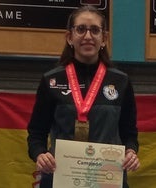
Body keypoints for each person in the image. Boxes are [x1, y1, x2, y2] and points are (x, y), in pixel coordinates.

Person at [27, 5, 140, 188]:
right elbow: (36, 133)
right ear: (70, 37)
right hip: (61, 178)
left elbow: (129, 133)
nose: (88, 36)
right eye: (81, 29)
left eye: (95, 30)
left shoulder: (121, 81)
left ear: (103, 39)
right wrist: (40, 154)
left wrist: (131, 152)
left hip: (107, 179)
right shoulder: (52, 80)